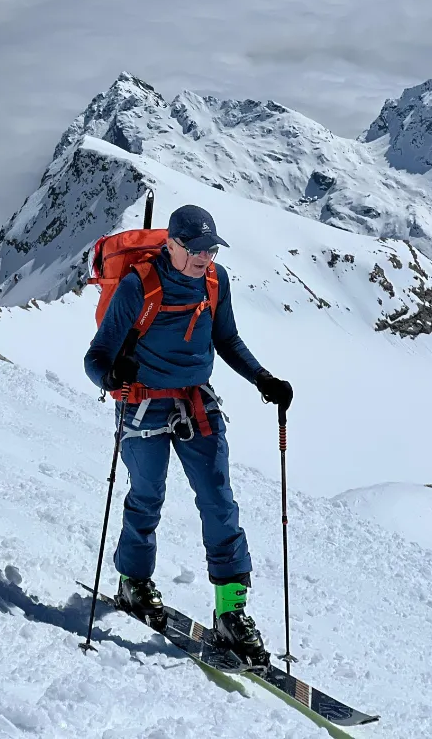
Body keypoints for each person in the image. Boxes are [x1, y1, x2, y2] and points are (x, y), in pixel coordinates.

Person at [84, 204, 293, 666]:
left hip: (195, 400)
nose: (205, 257)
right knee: (147, 496)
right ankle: (134, 582)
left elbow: (228, 340)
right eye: (196, 249)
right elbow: (96, 356)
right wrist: (111, 375)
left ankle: (231, 613)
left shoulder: (216, 281)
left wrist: (264, 380)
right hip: (141, 402)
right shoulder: (140, 284)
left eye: (211, 248)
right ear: (172, 246)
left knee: (219, 500)